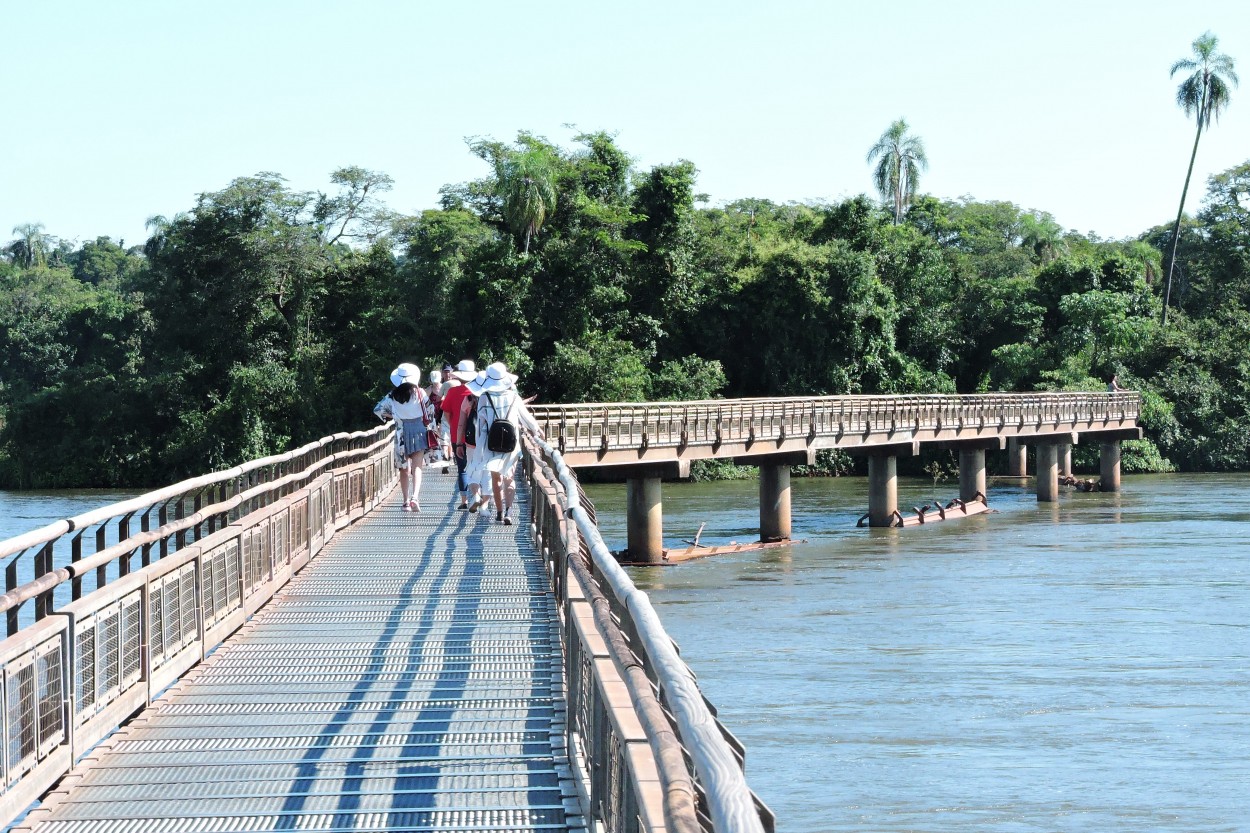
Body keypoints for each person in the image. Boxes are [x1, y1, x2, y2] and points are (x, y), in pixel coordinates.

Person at [468, 362, 524, 525]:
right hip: (512, 444)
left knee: (496, 478)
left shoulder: (484, 397)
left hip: (491, 445)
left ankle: (499, 512)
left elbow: (480, 425)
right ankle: (508, 511)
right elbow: (525, 417)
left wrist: (479, 449)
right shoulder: (514, 396)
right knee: (509, 478)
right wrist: (536, 431)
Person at [378, 362, 434, 512]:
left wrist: (394, 416)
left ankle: (405, 501)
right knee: (417, 467)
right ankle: (415, 497)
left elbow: (378, 410)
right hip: (419, 430)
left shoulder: (392, 396)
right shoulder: (420, 392)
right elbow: (430, 410)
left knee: (404, 468)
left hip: (401, 431)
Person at [442, 360, 477, 509]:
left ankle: (464, 500)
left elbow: (446, 413)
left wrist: (454, 428)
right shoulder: (478, 392)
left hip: (458, 436)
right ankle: (478, 496)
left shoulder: (452, 392)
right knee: (477, 467)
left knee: (462, 468)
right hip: (476, 436)